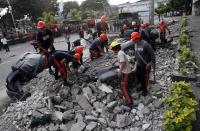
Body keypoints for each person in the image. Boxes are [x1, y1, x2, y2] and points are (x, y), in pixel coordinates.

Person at [131, 32, 155, 96]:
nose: (133, 41)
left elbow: (152, 55)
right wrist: (135, 60)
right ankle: (142, 86)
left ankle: (145, 90)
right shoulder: (135, 44)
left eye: (133, 39)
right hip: (139, 64)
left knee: (144, 78)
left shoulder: (145, 44)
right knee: (137, 75)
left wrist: (150, 64)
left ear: (137, 38)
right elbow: (136, 53)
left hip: (146, 65)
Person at [110, 41, 133, 107]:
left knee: (123, 87)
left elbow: (123, 63)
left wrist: (120, 71)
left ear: (114, 48)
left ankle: (129, 102)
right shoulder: (120, 52)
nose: (112, 50)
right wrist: (115, 61)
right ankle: (127, 97)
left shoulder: (120, 53)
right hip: (126, 71)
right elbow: (121, 60)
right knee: (124, 85)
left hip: (125, 72)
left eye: (112, 49)